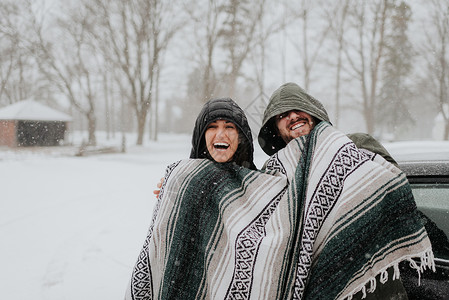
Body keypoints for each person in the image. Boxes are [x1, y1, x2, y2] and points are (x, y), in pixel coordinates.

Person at [257, 82, 433, 299]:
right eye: (282, 115)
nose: (292, 116)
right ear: (275, 129)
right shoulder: (273, 174)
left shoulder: (356, 145)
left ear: (313, 112)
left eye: (297, 108)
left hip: (374, 289)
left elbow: (394, 195)